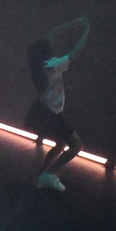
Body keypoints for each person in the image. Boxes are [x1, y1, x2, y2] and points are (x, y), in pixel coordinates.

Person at [26, 16, 91, 192]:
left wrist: (72, 22)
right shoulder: (53, 65)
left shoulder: (39, 66)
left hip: (41, 111)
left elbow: (52, 33)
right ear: (48, 51)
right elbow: (76, 51)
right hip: (49, 114)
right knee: (77, 145)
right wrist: (85, 29)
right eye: (52, 46)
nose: (55, 47)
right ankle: (49, 174)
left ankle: (39, 176)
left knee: (61, 144)